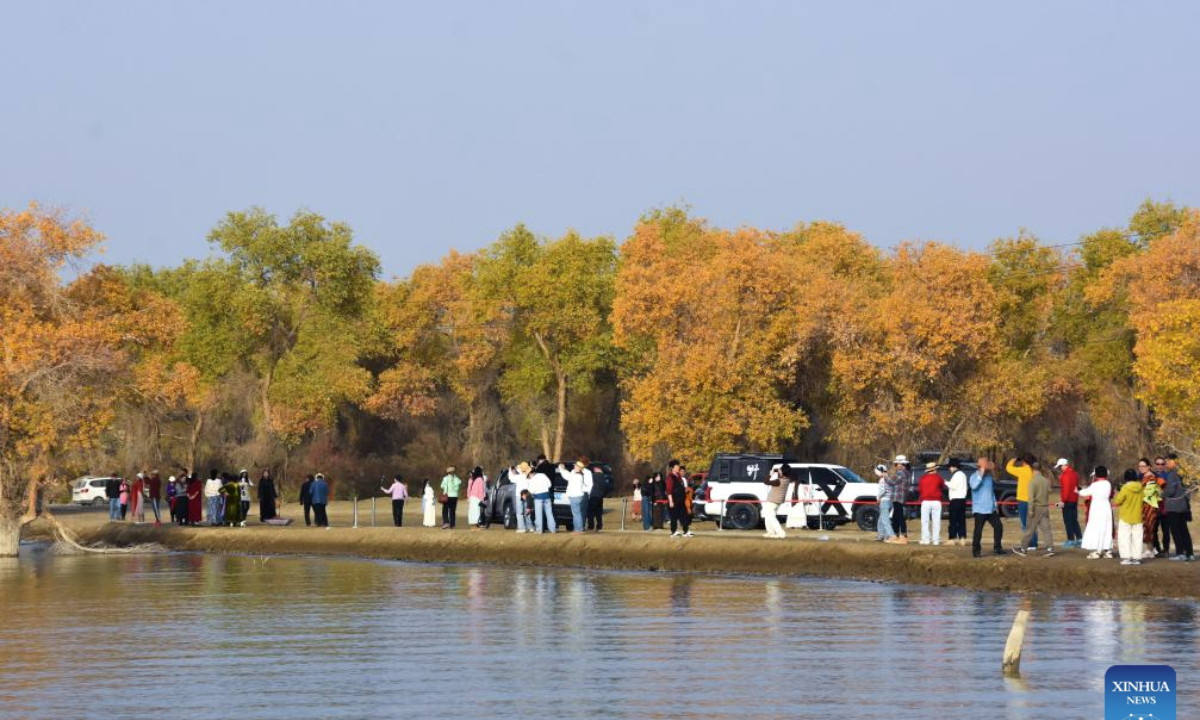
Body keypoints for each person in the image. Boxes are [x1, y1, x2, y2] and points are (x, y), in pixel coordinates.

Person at [1013, 462, 1055, 557]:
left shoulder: (1032, 481)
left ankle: (1023, 549)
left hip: (1036, 508)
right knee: (1046, 529)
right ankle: (1050, 548)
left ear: (1033, 470)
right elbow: (1049, 491)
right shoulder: (1045, 480)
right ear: (1040, 469)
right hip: (1045, 508)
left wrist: (1031, 510)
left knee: (1029, 529)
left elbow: (1031, 498)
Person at [969, 458, 1007, 557]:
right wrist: (981, 473)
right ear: (981, 468)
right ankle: (976, 551)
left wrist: (995, 505)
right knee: (978, 531)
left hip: (991, 509)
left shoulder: (989, 478)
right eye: (986, 468)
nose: (988, 470)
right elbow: (974, 486)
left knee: (999, 527)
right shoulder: (974, 477)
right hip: (979, 510)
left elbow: (991, 493)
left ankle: (997, 548)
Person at [1161, 453, 1194, 561]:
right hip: (1183, 506)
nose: (1166, 464)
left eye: (1167, 462)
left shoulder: (1172, 474)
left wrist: (1161, 493)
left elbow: (1170, 491)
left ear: (1174, 461)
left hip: (1174, 507)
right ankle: (1190, 553)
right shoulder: (1183, 473)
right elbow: (1188, 490)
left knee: (1176, 531)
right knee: (1184, 530)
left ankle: (1180, 553)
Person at [1078, 466, 1114, 559]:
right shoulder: (1108, 484)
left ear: (1097, 474)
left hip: (1096, 509)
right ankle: (1107, 551)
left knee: (1095, 528)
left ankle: (1096, 551)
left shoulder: (1095, 485)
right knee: (1106, 529)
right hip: (1106, 508)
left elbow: (1085, 493)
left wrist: (1078, 490)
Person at [1114, 469, 1144, 565]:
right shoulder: (1141, 487)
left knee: (1124, 537)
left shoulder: (1125, 488)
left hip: (1125, 516)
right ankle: (1137, 558)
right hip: (1138, 516)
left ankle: (1126, 557)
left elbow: (1118, 501)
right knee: (1137, 538)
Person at [1006, 456, 1037, 549]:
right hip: (1033, 500)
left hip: (1024, 500)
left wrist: (1014, 459)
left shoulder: (1023, 470)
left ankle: (1030, 544)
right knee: (1032, 523)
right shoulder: (1034, 471)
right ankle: (1034, 544)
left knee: (1025, 524)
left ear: (1025, 462)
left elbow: (1008, 468)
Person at [558, 460, 592, 533]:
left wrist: (562, 469)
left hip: (575, 496)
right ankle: (577, 528)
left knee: (576, 513)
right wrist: (562, 469)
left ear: (579, 468)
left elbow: (567, 476)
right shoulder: (577, 474)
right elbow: (568, 475)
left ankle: (579, 529)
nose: (574, 466)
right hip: (577, 495)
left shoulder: (576, 476)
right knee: (577, 513)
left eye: (576, 466)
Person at [1055, 458, 1081, 548]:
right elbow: (1076, 488)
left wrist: (1062, 501)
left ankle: (1071, 540)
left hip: (1067, 501)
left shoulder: (1065, 475)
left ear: (1063, 465)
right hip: (1074, 500)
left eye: (1060, 467)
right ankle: (1079, 538)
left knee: (1068, 521)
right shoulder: (1075, 474)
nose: (1060, 469)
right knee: (1074, 520)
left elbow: (1065, 490)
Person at [917, 462, 945, 546]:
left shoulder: (922, 478)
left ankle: (926, 539)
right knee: (936, 521)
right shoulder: (939, 478)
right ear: (934, 469)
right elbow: (942, 487)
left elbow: (920, 490)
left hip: (925, 501)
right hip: (936, 501)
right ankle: (935, 540)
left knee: (925, 521)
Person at [762, 464, 793, 539]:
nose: (779, 470)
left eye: (780, 469)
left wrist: (770, 474)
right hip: (778, 501)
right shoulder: (787, 479)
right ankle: (770, 532)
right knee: (768, 516)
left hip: (772, 501)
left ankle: (781, 533)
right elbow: (782, 475)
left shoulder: (779, 481)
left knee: (771, 517)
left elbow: (766, 482)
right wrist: (778, 471)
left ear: (782, 472)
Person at [665, 459, 692, 537]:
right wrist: (671, 501)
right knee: (674, 517)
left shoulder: (679, 476)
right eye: (676, 466)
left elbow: (681, 487)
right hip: (674, 500)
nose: (678, 467)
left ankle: (686, 531)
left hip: (681, 500)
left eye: (678, 466)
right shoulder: (670, 477)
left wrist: (685, 490)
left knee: (684, 516)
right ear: (672, 468)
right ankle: (674, 532)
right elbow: (669, 490)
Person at [1140, 467, 1163, 559]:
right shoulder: (1143, 478)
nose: (1141, 468)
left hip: (1150, 507)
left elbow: (1151, 494)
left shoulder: (1151, 478)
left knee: (1149, 529)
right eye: (1140, 466)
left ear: (1148, 467)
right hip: (1146, 506)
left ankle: (1150, 550)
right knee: (1148, 530)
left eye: (1143, 466)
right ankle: (1151, 550)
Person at [946, 459, 968, 546]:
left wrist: (945, 482)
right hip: (962, 500)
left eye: (950, 467)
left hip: (955, 500)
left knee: (953, 520)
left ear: (954, 467)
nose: (949, 469)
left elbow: (953, 486)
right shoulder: (963, 475)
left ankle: (952, 538)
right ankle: (962, 538)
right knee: (961, 520)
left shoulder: (957, 475)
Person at [887, 455, 910, 541]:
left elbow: (891, 481)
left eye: (896, 464)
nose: (896, 466)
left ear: (901, 464)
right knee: (895, 516)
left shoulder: (900, 473)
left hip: (897, 497)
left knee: (899, 517)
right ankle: (895, 535)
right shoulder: (907, 473)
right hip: (901, 497)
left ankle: (903, 535)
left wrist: (884, 476)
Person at [528, 464, 556, 533]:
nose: (529, 477)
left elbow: (531, 490)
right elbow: (549, 484)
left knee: (538, 515)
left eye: (528, 475)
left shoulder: (532, 479)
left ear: (530, 474)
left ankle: (539, 530)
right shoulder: (543, 475)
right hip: (547, 496)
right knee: (549, 514)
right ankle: (552, 529)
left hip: (538, 498)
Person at [873, 464, 896, 543]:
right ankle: (881, 536)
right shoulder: (889, 479)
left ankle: (891, 536)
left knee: (885, 520)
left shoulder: (882, 480)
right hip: (890, 501)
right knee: (881, 520)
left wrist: (878, 497)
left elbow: (882, 491)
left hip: (884, 501)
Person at [586, 465, 606, 531]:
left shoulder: (594, 476)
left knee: (590, 512)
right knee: (598, 512)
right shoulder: (603, 476)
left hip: (593, 495)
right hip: (600, 496)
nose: (593, 469)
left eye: (594, 468)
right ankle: (599, 526)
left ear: (597, 468)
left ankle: (591, 526)